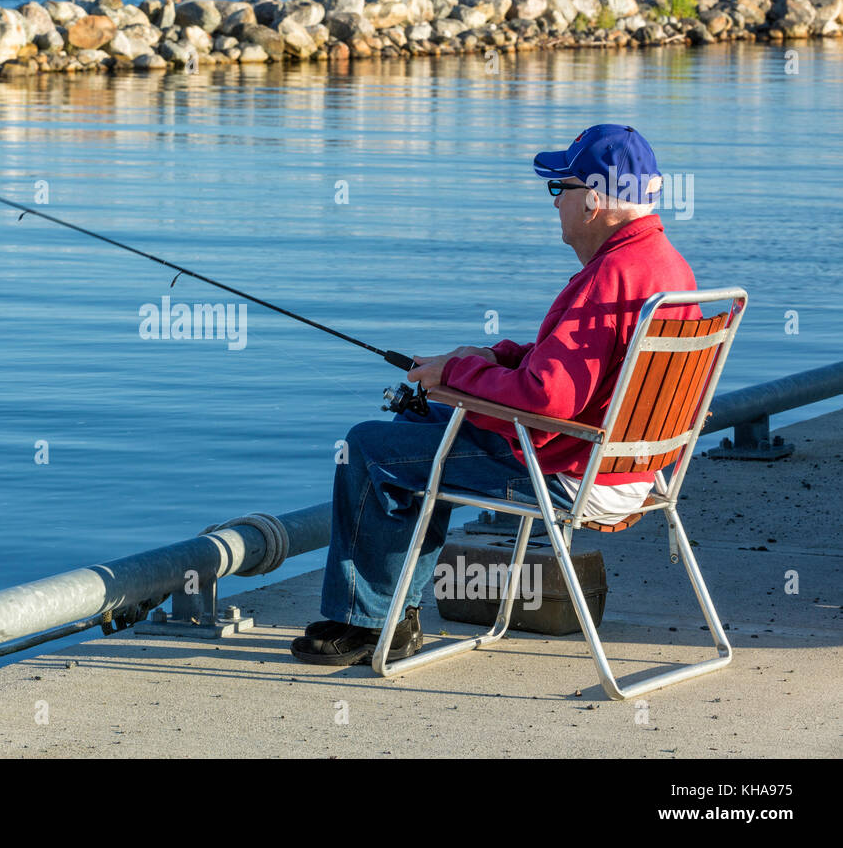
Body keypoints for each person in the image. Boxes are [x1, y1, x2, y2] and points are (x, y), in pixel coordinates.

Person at [291, 124, 701, 666]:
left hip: (569, 472)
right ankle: (392, 614)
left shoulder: (609, 277)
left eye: (560, 189)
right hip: (635, 468)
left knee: (369, 449)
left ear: (594, 201)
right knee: (416, 425)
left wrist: (457, 376)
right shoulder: (664, 266)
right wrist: (494, 358)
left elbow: (548, 399)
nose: (555, 204)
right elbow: (589, 365)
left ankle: (368, 625)